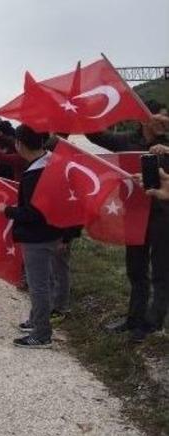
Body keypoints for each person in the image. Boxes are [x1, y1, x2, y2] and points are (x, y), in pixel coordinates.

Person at [87, 102, 169, 343]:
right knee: (136, 269)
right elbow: (94, 135)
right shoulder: (126, 141)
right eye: (159, 119)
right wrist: (108, 108)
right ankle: (134, 318)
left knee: (162, 272)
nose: (162, 123)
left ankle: (153, 323)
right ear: (143, 119)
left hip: (164, 215)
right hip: (135, 214)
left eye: (166, 120)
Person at [0, 124, 62, 349]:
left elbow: (33, 213)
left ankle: (42, 334)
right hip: (52, 232)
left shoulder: (34, 174)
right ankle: (36, 319)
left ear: (20, 144)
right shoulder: (51, 161)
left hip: (38, 237)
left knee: (38, 285)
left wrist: (7, 210)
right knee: (47, 279)